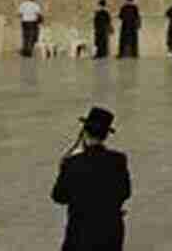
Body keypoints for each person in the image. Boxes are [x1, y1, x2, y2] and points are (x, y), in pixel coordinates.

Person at [51, 106, 131, 251]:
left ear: (85, 133)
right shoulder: (119, 160)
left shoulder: (72, 163)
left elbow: (59, 196)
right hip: (111, 235)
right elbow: (125, 193)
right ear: (106, 135)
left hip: (80, 236)